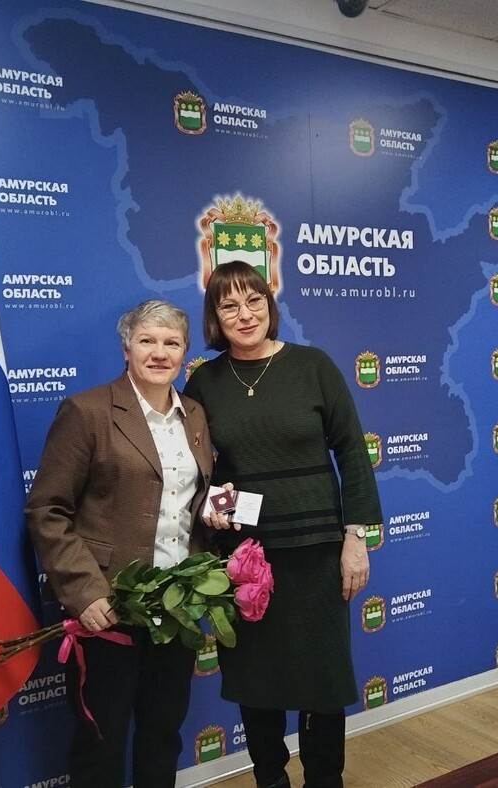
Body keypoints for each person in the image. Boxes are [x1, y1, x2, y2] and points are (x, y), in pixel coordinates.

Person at [184, 261, 382, 788]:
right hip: (246, 559)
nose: (245, 314)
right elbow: (196, 470)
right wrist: (213, 507)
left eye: (254, 300)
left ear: (269, 305)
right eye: (229, 305)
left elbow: (353, 453)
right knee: (257, 681)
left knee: (322, 681)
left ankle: (324, 780)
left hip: (317, 554)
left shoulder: (313, 366)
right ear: (215, 317)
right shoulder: (204, 381)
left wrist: (355, 537)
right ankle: (269, 779)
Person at [25, 300, 214, 788]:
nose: (160, 352)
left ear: (185, 353)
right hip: (108, 606)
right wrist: (85, 593)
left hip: (177, 606)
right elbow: (47, 509)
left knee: (162, 735)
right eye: (147, 340)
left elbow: (187, 501)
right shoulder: (87, 411)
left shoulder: (194, 414)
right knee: (101, 740)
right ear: (126, 348)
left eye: (172, 343)